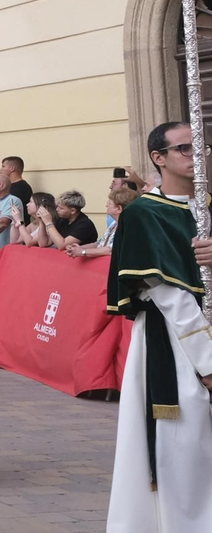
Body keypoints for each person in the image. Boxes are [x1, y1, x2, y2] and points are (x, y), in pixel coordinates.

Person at [106, 120, 212, 528]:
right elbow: (167, 294)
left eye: (200, 147)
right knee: (182, 445)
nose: (196, 155)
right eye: (184, 148)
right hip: (175, 342)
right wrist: (207, 362)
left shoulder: (206, 209)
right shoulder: (143, 215)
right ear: (159, 157)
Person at [68, 186, 136, 261]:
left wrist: (83, 252)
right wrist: (77, 248)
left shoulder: (128, 227)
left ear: (118, 209)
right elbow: (99, 244)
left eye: (110, 203)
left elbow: (110, 250)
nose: (106, 205)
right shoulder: (114, 224)